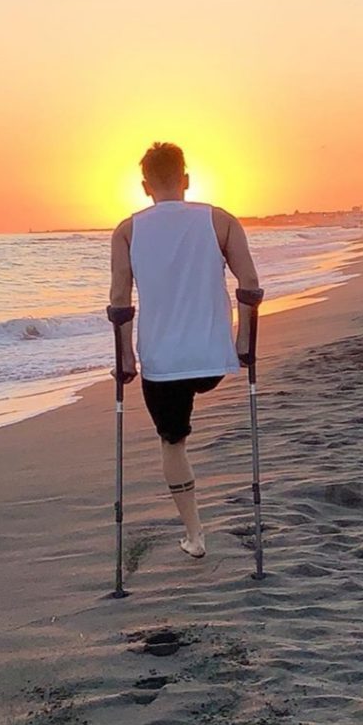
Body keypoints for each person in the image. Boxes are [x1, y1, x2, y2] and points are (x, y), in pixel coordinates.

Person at [109, 142, 260, 559]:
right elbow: (249, 285)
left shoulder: (127, 231)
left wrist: (125, 359)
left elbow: (120, 300)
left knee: (173, 442)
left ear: (145, 187)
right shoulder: (220, 220)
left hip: (163, 363)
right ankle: (197, 532)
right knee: (178, 430)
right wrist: (244, 344)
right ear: (186, 180)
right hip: (213, 356)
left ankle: (195, 535)